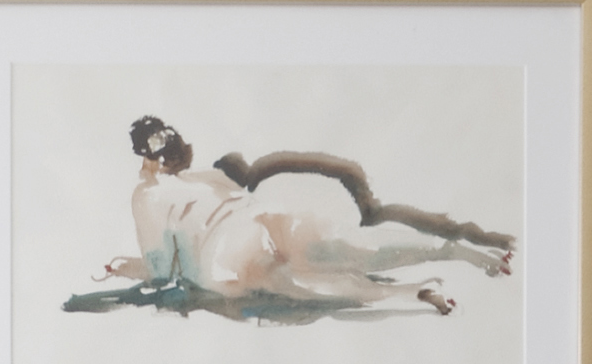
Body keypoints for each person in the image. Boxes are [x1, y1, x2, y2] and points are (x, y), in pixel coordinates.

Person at [75, 116, 515, 326]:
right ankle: (453, 251)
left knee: (308, 286)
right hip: (261, 215)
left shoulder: (147, 197)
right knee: (354, 245)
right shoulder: (205, 178)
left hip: (224, 256)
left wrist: (125, 266)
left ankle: (410, 293)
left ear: (143, 158)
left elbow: (160, 267)